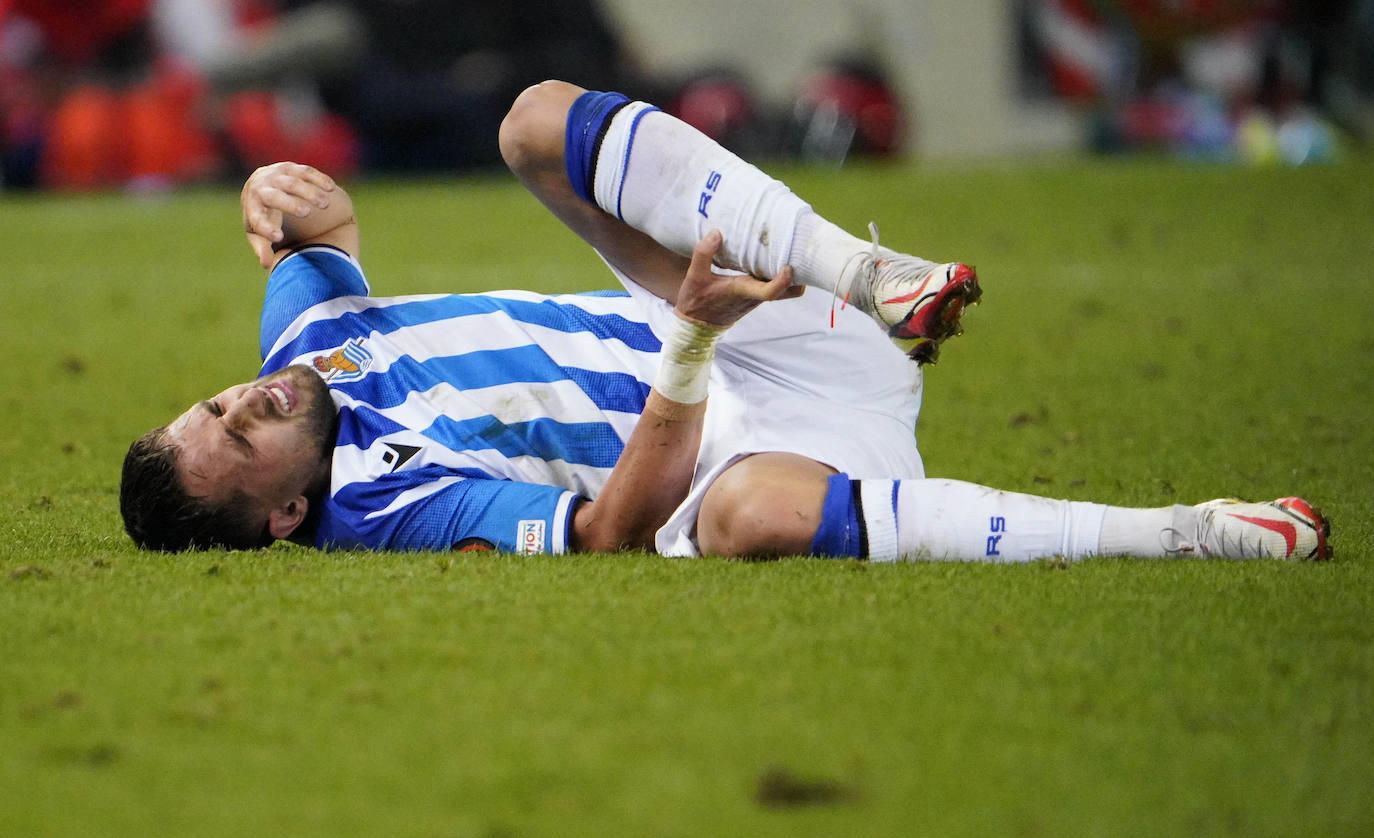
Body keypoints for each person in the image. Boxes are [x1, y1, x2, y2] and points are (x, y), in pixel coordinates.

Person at [120, 80, 1332, 562]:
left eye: (214, 400)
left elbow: (319, 227)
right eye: (237, 437)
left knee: (534, 125)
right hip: (745, 431)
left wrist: (276, 192)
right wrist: (688, 341)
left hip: (776, 315)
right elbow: (606, 536)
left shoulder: (303, 351)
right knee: (746, 518)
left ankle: (870, 268)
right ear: (283, 512)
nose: (243, 400)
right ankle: (1186, 531)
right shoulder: (378, 502)